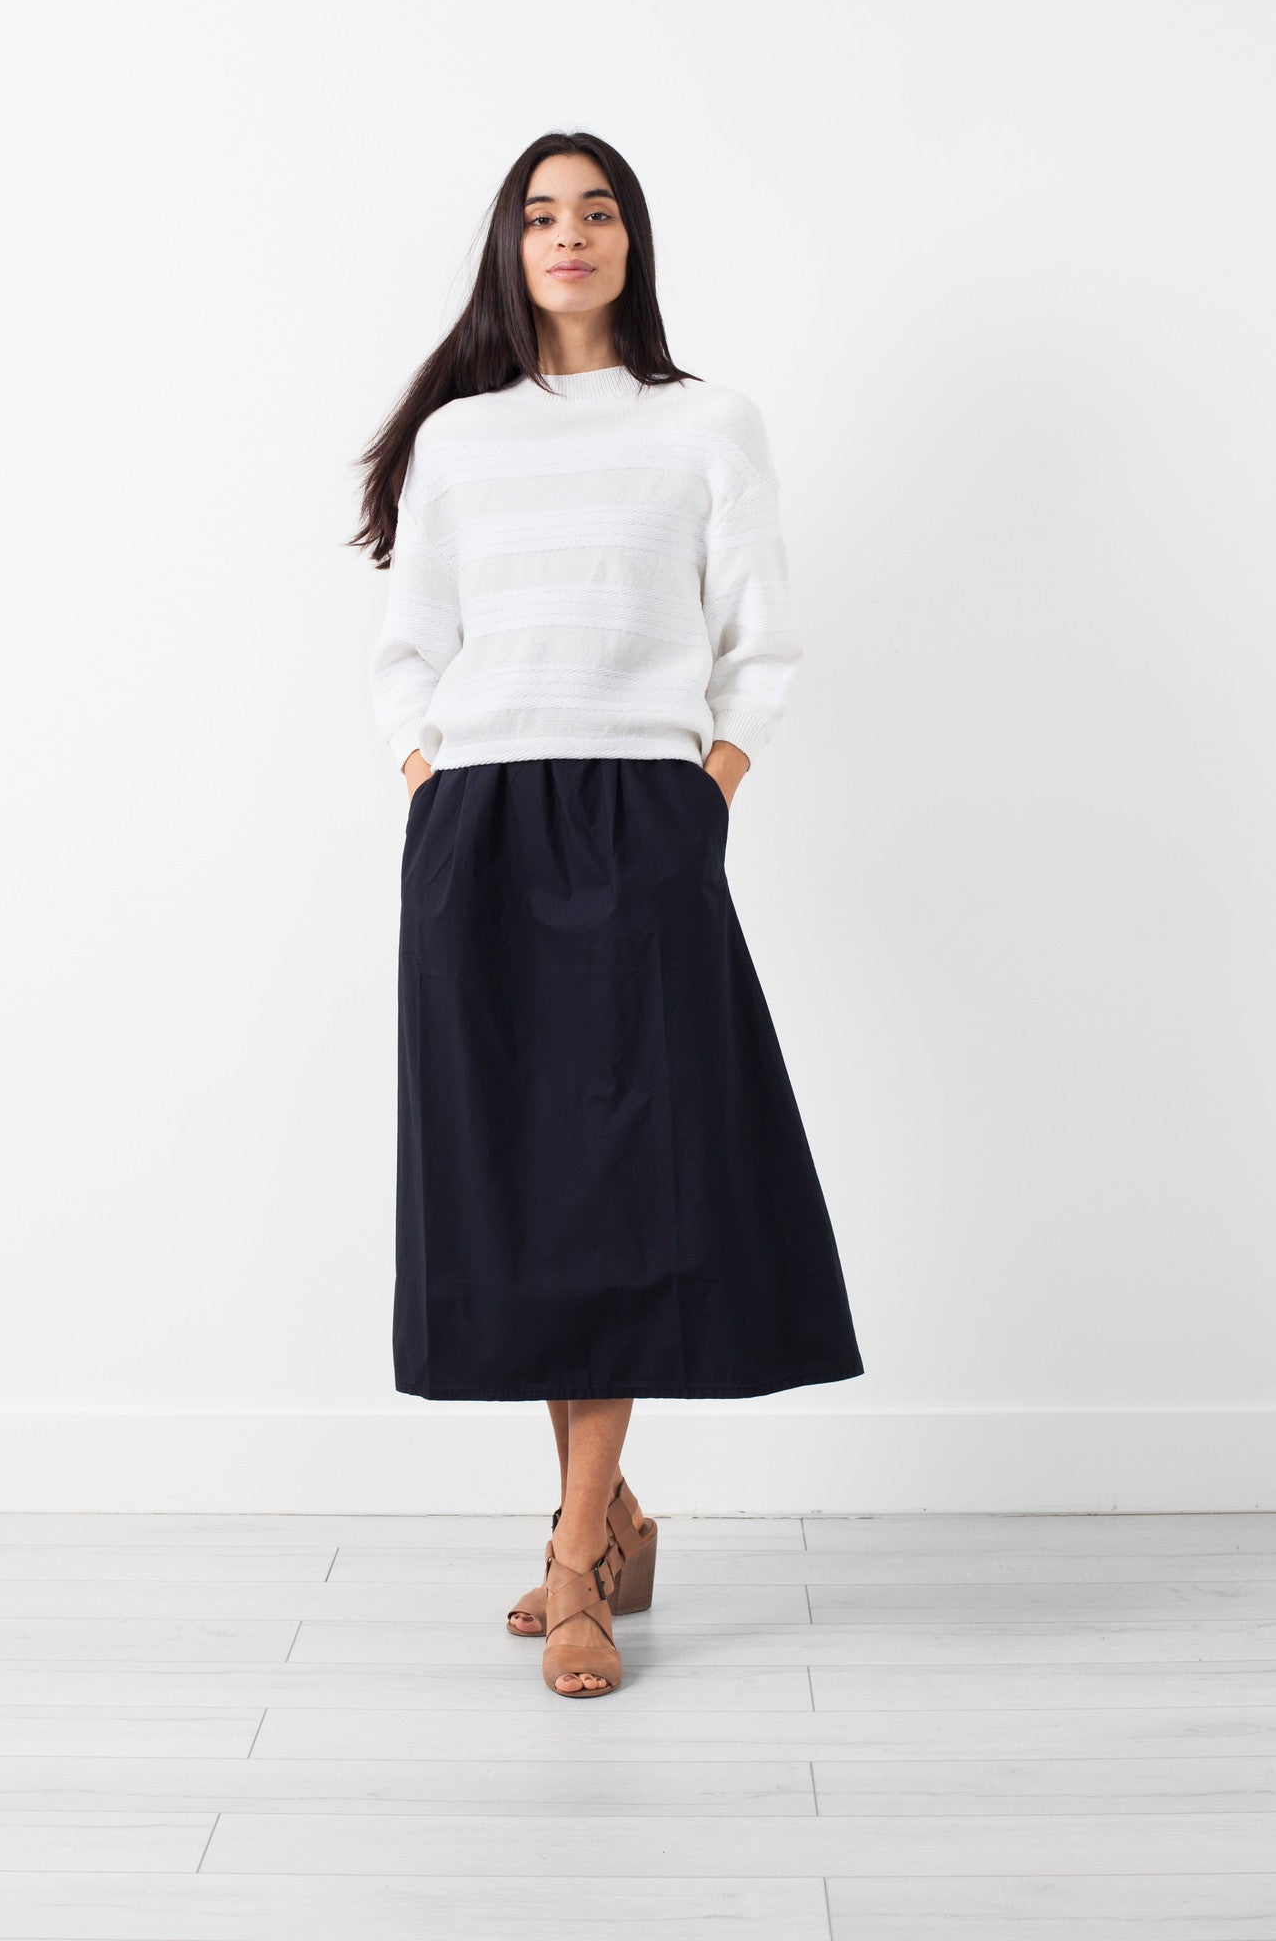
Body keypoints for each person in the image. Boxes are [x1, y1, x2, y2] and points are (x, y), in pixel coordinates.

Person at [352, 130, 864, 1699]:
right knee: (517, 1191)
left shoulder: (706, 423)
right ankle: (615, 1514)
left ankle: (575, 1561)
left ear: (633, 240)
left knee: (630, 1189)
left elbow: (760, 639)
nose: (567, 235)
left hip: (643, 817)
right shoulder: (458, 439)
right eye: (539, 215)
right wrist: (429, 771)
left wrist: (705, 789)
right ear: (510, 248)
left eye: (596, 212)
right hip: (481, 819)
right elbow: (407, 645)